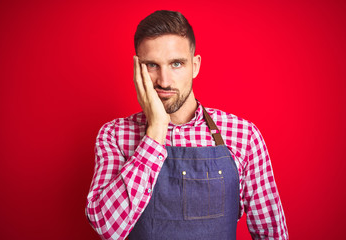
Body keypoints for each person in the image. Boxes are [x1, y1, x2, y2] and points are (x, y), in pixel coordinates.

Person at [86, 10, 288, 240]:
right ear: (137, 69)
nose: (164, 80)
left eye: (176, 64)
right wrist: (156, 131)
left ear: (195, 65)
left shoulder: (244, 136)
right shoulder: (114, 135)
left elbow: (272, 234)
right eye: (152, 65)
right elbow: (106, 227)